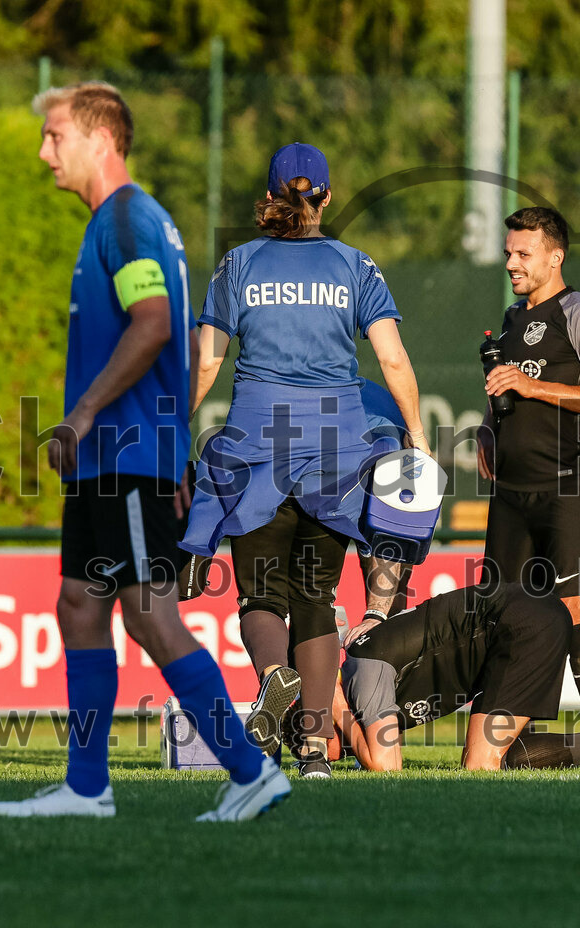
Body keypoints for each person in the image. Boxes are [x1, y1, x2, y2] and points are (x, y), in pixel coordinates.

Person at [0, 82, 288, 822]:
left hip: (123, 457)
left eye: (55, 136)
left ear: (100, 140)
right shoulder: (120, 222)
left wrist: (86, 413)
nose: (44, 152)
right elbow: (181, 341)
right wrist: (172, 443)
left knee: (150, 615)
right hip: (116, 459)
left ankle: (251, 770)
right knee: (78, 606)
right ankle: (86, 787)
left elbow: (154, 323)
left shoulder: (125, 219)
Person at [181, 142, 428, 779]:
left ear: (269, 195)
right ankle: (316, 749)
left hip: (256, 448)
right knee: (317, 597)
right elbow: (392, 358)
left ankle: (275, 676)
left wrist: (170, 427)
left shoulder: (237, 264)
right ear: (327, 196)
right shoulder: (355, 265)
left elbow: (207, 362)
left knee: (260, 596)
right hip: (337, 452)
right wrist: (418, 437)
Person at [478, 207, 580, 737]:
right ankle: (513, 742)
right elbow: (506, 388)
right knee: (503, 617)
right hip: (511, 495)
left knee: (573, 611)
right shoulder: (511, 318)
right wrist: (488, 428)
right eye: (508, 253)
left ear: (555, 257)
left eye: (523, 254)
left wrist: (533, 386)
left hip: (567, 489)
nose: (511, 263)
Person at [324, 583, 580, 771]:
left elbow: (386, 767)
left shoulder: (359, 670)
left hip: (523, 624)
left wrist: (338, 707)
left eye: (312, 744)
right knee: (511, 758)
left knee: (480, 765)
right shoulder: (361, 684)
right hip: (524, 622)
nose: (325, 756)